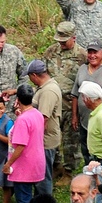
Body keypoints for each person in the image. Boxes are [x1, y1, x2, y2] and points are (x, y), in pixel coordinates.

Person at [44, 20, 88, 177]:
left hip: (72, 105)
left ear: (73, 38)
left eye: (64, 41)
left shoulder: (82, 56)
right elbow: (44, 75)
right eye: (59, 41)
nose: (61, 44)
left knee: (71, 141)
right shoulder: (50, 52)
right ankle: (55, 166)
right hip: (52, 104)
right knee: (51, 136)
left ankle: (69, 171)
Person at [3, 83, 45, 203]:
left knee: (24, 202)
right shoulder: (37, 114)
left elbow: (20, 145)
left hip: (24, 167)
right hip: (38, 163)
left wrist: (8, 163)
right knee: (32, 201)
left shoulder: (22, 120)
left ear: (18, 99)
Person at [27, 60, 63, 193]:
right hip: (42, 140)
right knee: (38, 176)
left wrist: (32, 141)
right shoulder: (44, 87)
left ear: (34, 76)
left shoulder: (48, 91)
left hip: (45, 141)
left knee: (43, 177)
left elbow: (43, 119)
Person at [0, 25, 27, 100]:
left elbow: (24, 74)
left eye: (2, 42)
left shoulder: (14, 51)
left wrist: (20, 94)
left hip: (13, 100)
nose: (0, 45)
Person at [79, 80, 102, 163]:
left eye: (84, 97)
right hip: (96, 158)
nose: (83, 100)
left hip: (101, 160)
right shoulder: (98, 111)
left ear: (89, 99)